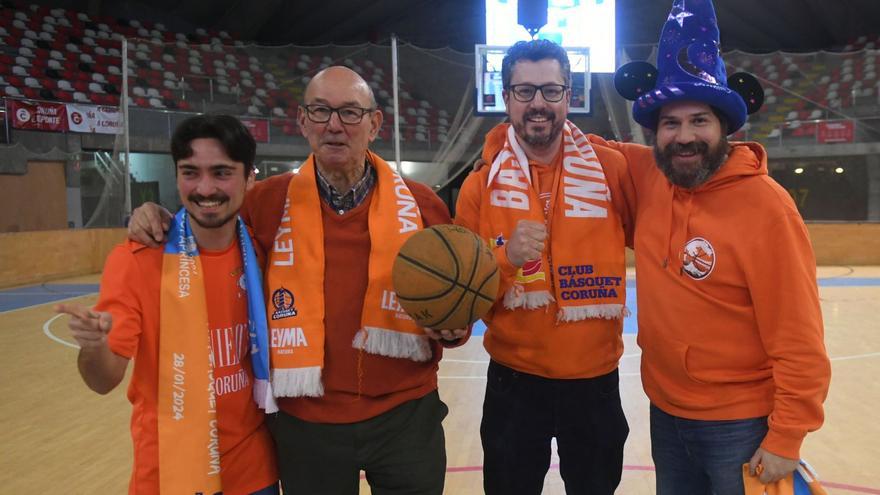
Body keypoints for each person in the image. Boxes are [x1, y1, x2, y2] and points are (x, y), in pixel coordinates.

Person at [127, 66, 465, 495]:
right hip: (306, 423)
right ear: (303, 122)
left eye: (350, 112)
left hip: (406, 415)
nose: (334, 126)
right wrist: (154, 213)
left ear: (374, 124)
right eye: (321, 111)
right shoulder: (265, 202)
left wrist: (452, 330)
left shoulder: (421, 204)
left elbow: (452, 298)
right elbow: (208, 226)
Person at [600, 0, 832, 493]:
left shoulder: (767, 207)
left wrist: (786, 437)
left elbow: (799, 338)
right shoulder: (650, 175)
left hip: (741, 424)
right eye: (670, 123)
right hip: (666, 413)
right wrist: (505, 137)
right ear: (655, 132)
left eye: (699, 121)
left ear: (726, 126)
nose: (684, 137)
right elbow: (566, 141)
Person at [56, 114, 279, 494]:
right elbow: (103, 380)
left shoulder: (263, 250)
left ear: (250, 178)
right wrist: (93, 348)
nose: (205, 188)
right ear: (176, 176)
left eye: (222, 172)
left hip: (254, 472)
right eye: (190, 172)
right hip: (169, 474)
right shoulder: (138, 259)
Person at [455, 39, 636, 494]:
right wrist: (506, 260)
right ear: (506, 96)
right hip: (514, 384)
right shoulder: (479, 186)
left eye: (551, 91)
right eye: (524, 91)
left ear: (569, 95)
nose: (538, 103)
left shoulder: (612, 168)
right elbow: (464, 295)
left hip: (595, 382)